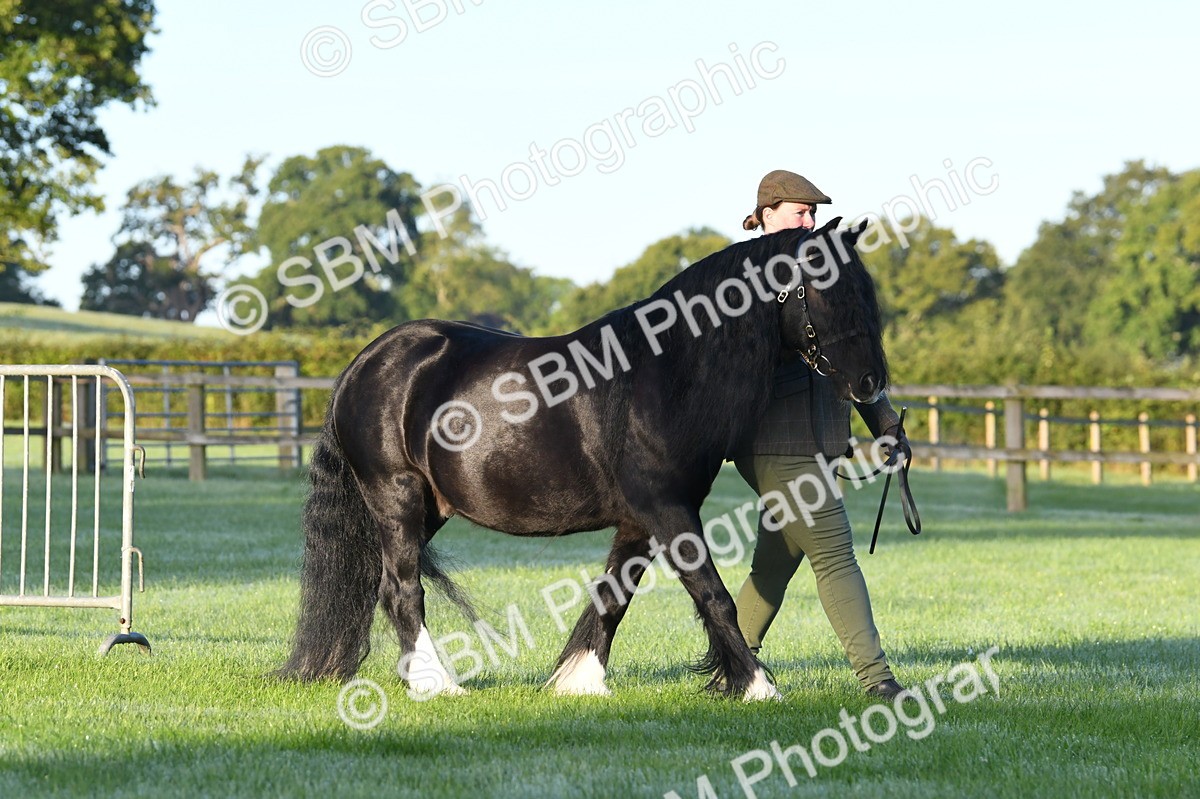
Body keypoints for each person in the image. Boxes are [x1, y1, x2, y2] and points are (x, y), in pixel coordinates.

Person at [734, 169, 910, 699]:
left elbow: (850, 354)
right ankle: (878, 681)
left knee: (775, 562)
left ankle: (733, 665)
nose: (809, 221)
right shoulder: (740, 279)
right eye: (800, 211)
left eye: (813, 213)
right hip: (774, 444)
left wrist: (885, 424)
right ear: (767, 215)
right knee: (835, 555)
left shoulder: (821, 271)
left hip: (822, 441)